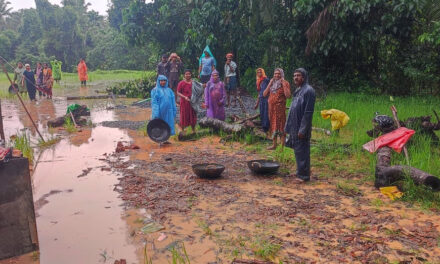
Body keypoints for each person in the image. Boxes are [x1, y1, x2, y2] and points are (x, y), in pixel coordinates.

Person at [285, 68, 316, 183]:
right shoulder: (298, 90)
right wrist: (287, 126)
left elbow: (308, 113)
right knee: (298, 150)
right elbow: (292, 108)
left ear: (304, 77)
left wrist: (303, 129)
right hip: (294, 124)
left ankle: (304, 176)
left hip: (301, 127)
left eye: (298, 75)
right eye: (294, 76)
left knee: (303, 150)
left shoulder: (309, 91)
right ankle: (300, 171)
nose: (295, 78)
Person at [263, 68, 291, 150]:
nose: (277, 75)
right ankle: (274, 145)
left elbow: (288, 96)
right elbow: (264, 94)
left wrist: (283, 84)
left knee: (281, 125)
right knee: (273, 124)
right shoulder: (272, 83)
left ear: (282, 74)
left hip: (280, 109)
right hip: (271, 108)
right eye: (275, 73)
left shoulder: (285, 83)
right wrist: (270, 83)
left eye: (278, 73)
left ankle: (282, 146)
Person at [177, 69, 197, 134]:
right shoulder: (181, 83)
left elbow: (197, 91)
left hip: (192, 102)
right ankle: (182, 130)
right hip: (184, 102)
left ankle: (193, 130)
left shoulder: (194, 82)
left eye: (189, 74)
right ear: (184, 75)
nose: (188, 75)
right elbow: (178, 92)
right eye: (186, 74)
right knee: (184, 115)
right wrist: (184, 97)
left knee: (193, 115)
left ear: (191, 75)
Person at [254, 68, 270, 132]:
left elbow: (269, 90)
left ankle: (266, 128)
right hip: (261, 99)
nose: (259, 73)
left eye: (260, 72)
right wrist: (257, 103)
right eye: (258, 72)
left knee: (266, 113)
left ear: (263, 73)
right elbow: (259, 93)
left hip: (266, 99)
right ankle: (263, 127)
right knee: (262, 113)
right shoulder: (258, 81)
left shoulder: (266, 80)